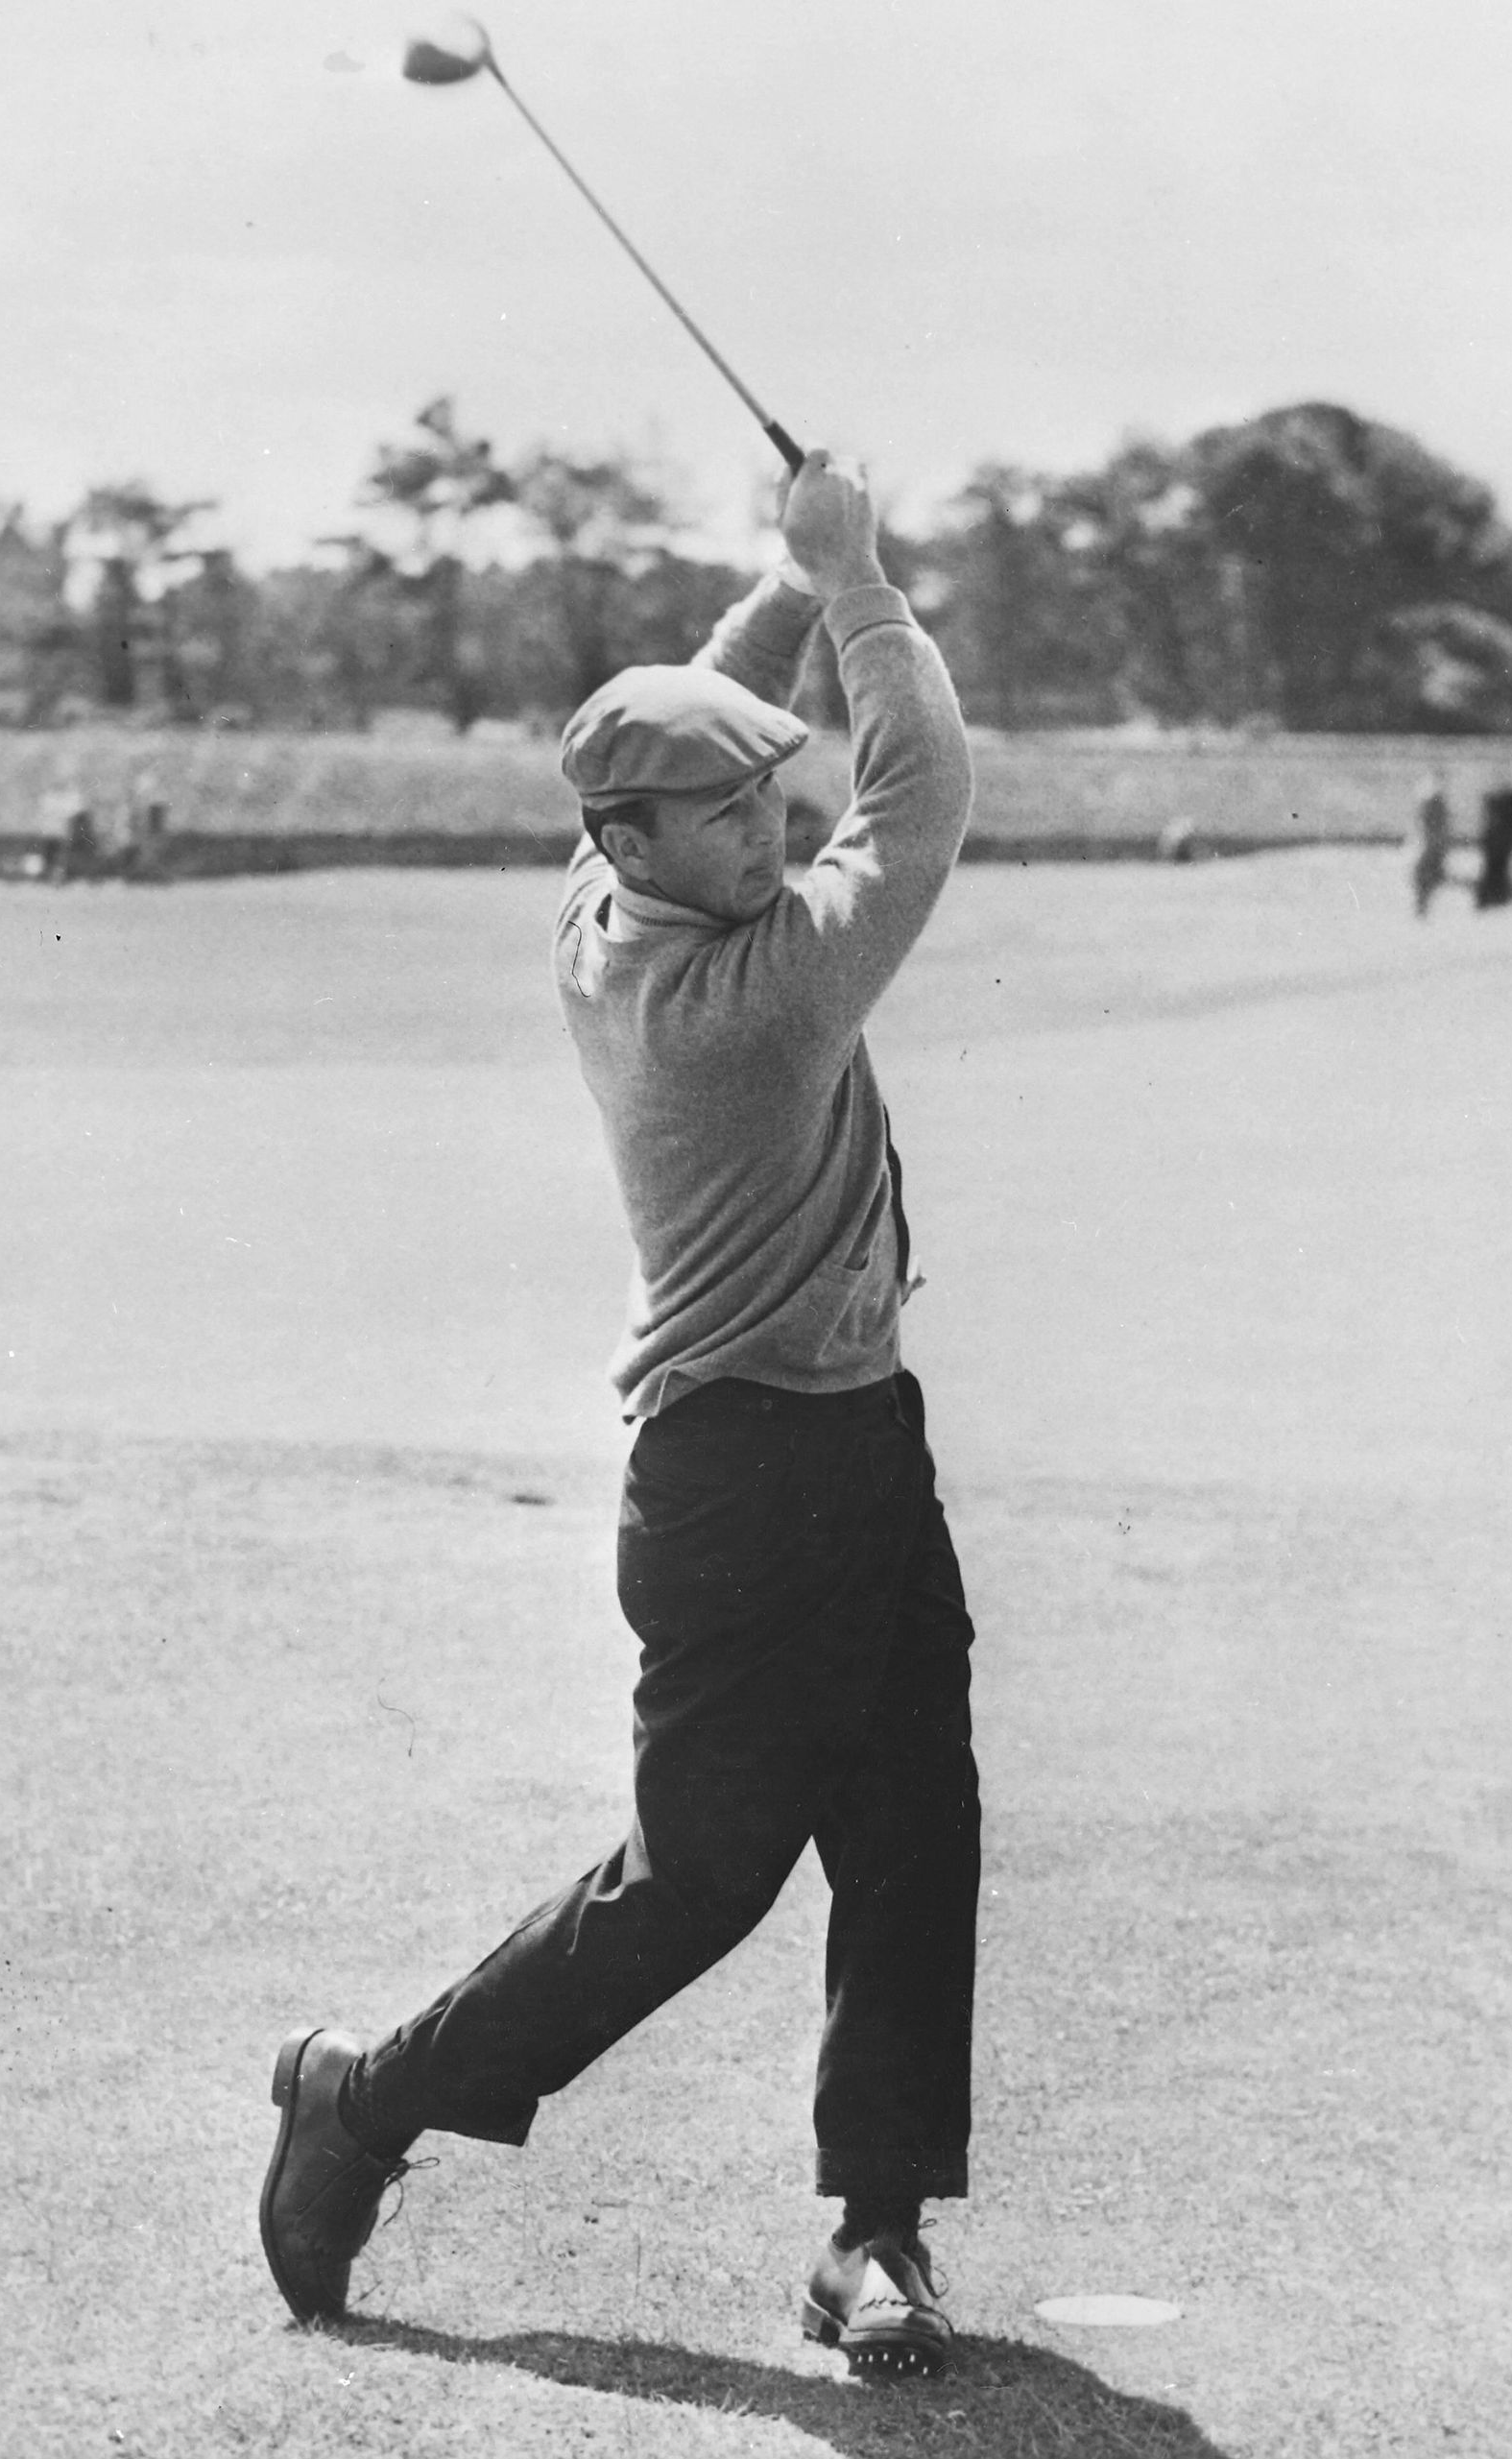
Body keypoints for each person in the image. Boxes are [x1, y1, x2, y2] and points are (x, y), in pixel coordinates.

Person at [258, 452, 981, 2379]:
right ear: (636, 840)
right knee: (705, 1873)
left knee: (917, 1817)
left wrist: (772, 592)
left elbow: (691, 701)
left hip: (853, 1434)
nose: (773, 822)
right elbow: (922, 798)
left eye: (772, 791)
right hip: (746, 1467)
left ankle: (874, 2231)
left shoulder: (608, 875)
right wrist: (857, 577)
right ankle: (366, 2089)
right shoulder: (747, 992)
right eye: (729, 812)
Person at [1476, 781, 1512, 909]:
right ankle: (1493, 898)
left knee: (1497, 869)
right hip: (1497, 842)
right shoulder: (1503, 804)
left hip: (1499, 842)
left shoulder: (1503, 804)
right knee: (1494, 869)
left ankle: (1495, 898)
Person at [1409, 770, 1450, 917]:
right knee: (1425, 871)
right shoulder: (1432, 798)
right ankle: (1422, 902)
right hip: (1428, 840)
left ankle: (1422, 902)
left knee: (1426, 871)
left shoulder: (1430, 797)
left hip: (1429, 840)